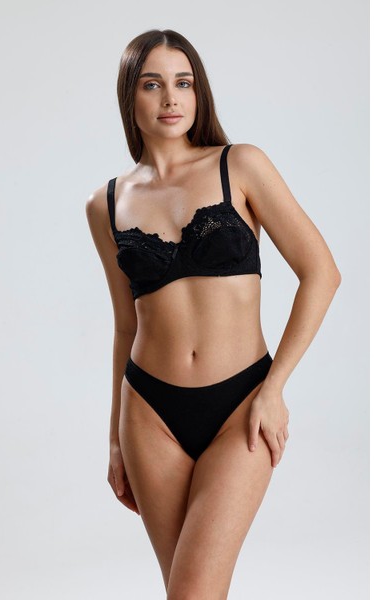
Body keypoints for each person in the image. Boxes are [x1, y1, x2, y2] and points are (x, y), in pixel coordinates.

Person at [85, 28, 341, 599]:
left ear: (199, 93)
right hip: (149, 413)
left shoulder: (240, 164)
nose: (171, 98)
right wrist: (114, 438)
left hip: (242, 403)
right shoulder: (105, 203)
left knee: (194, 590)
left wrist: (274, 389)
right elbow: (125, 324)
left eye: (184, 83)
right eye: (152, 84)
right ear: (130, 95)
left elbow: (322, 273)